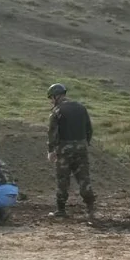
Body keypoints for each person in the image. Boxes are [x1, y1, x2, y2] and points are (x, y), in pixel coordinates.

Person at [45, 83, 96, 220]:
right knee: (84, 178)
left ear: (56, 96)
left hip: (64, 150)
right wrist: (85, 143)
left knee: (63, 179)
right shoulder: (81, 108)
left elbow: (52, 133)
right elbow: (89, 128)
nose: (51, 101)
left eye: (51, 98)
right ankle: (90, 209)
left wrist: (51, 150)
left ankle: (61, 210)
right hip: (81, 148)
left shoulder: (57, 111)